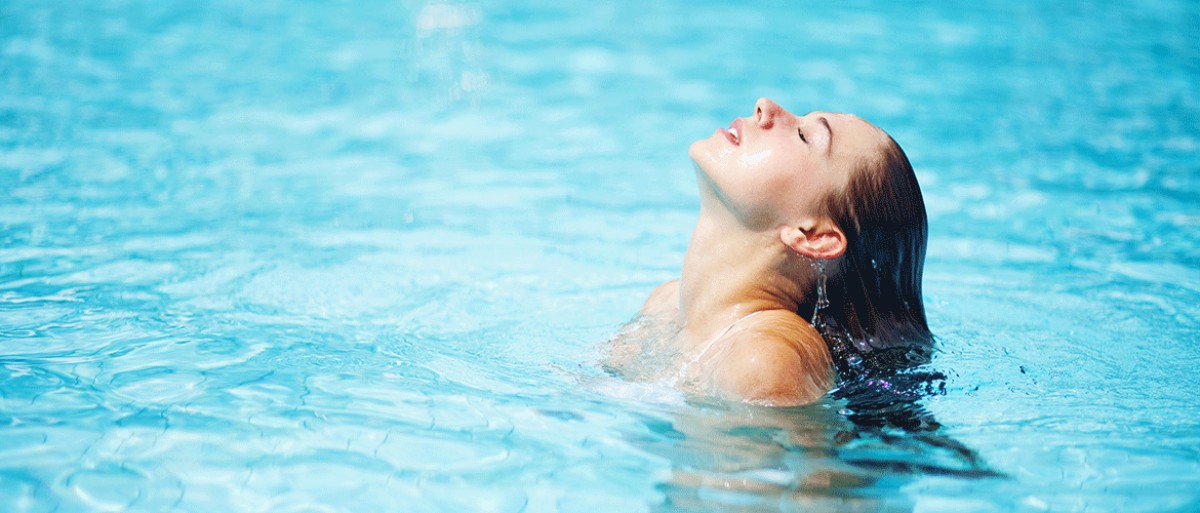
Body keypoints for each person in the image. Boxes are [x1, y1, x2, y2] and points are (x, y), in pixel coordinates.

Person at [604, 97, 934, 407]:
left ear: (814, 236)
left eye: (805, 136)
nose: (765, 105)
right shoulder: (663, 305)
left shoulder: (767, 360)